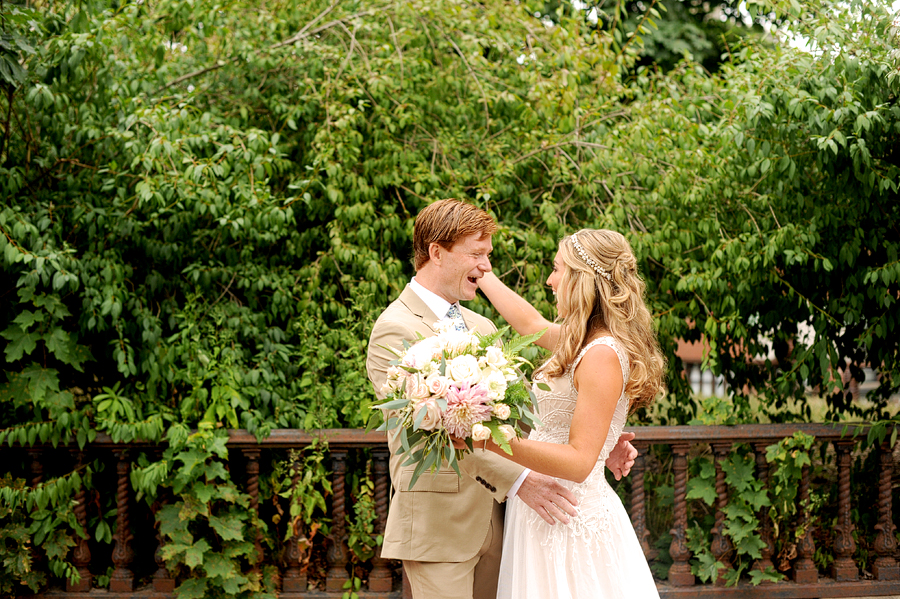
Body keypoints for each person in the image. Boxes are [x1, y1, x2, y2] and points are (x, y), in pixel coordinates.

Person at [365, 200, 638, 599]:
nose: (485, 265)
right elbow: (429, 433)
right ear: (436, 252)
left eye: (488, 254)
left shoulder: (483, 326)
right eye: (476, 254)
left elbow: (511, 417)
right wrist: (521, 479)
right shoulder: (395, 329)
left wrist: (597, 445)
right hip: (442, 526)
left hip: (504, 525)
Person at [466, 228, 666, 599]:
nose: (550, 280)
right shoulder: (582, 341)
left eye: (558, 269)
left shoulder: (602, 353)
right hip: (547, 512)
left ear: (581, 280)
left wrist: (493, 441)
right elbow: (530, 325)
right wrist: (483, 273)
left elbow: (578, 461)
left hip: (571, 518)